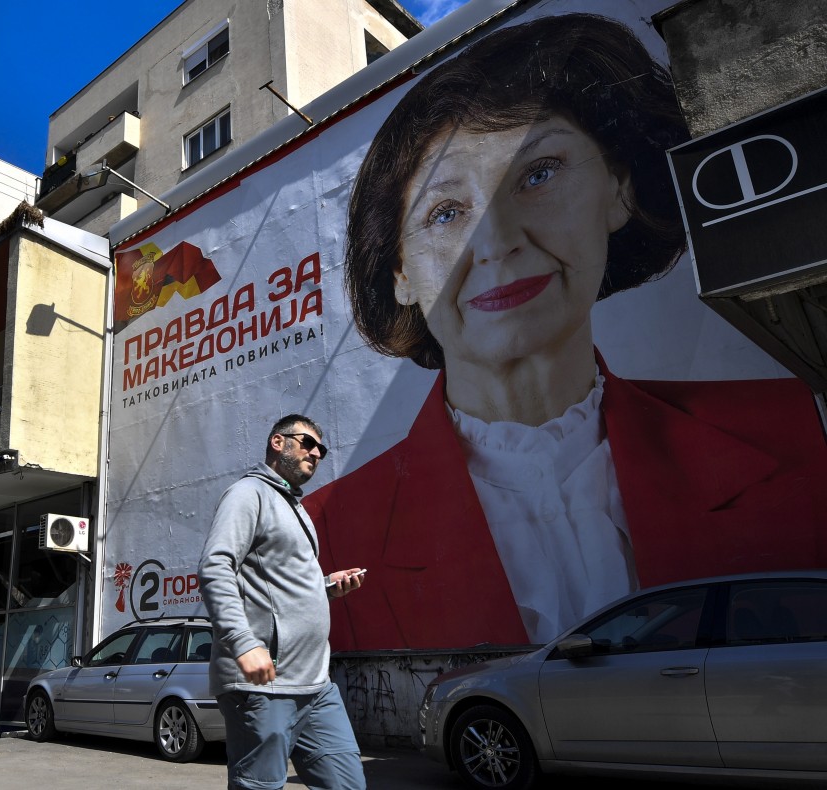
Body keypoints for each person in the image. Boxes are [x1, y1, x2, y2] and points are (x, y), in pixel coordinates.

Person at [302, 13, 827, 650]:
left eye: (539, 173)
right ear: (401, 275)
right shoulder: (328, 526)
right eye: (444, 212)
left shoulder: (783, 425)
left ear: (619, 189)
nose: (497, 243)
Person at [199, 415, 366, 790]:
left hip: (316, 684)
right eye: (307, 443)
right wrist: (244, 643)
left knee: (348, 784)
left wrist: (327, 586)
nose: (316, 453)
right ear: (278, 442)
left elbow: (279, 583)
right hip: (264, 686)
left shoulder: (295, 506)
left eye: (321, 449)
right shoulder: (248, 494)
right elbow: (215, 566)